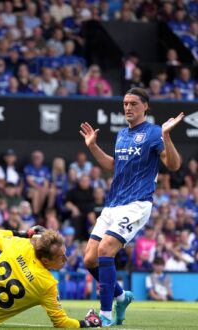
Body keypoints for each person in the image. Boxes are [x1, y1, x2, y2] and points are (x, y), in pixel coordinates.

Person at [79, 87, 183, 326]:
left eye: (133, 103)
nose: (128, 107)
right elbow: (113, 166)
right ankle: (120, 296)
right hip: (113, 203)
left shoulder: (154, 133)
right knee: (89, 259)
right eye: (125, 103)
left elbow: (174, 165)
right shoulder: (122, 135)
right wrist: (93, 146)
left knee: (106, 250)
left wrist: (166, 135)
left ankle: (104, 316)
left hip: (137, 203)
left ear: (145, 106)